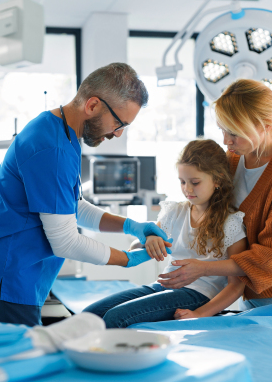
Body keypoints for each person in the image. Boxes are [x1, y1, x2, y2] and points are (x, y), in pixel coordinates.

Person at [0, 63, 172, 326]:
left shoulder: (59, 130)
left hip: (13, 275)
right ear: (93, 105)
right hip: (8, 281)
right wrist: (127, 259)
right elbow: (65, 241)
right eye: (119, 123)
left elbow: (73, 207)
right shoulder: (53, 149)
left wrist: (131, 227)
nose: (118, 134)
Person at [157, 79, 272, 317]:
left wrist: (203, 269)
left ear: (267, 125)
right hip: (248, 290)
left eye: (234, 133)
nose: (226, 141)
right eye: (223, 130)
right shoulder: (235, 157)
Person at [83, 140, 247, 327]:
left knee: (115, 318)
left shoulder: (230, 223)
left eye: (195, 182)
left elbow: (237, 285)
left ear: (217, 179)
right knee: (90, 314)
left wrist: (200, 313)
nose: (187, 189)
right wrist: (149, 239)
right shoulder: (175, 212)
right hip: (163, 286)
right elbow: (137, 246)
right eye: (182, 182)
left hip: (198, 294)